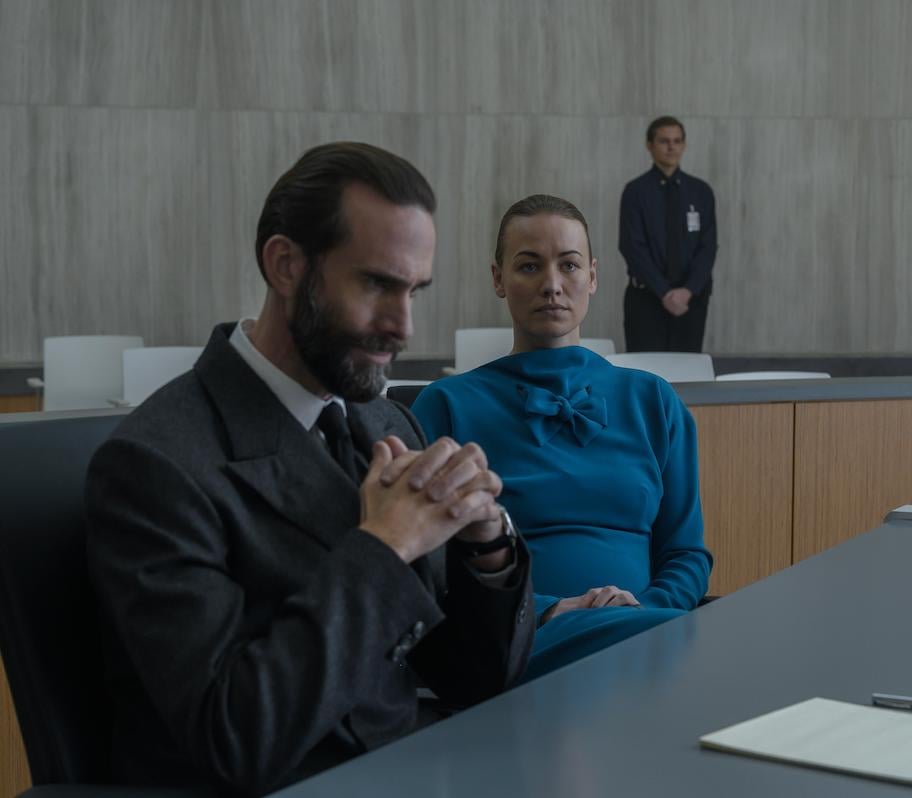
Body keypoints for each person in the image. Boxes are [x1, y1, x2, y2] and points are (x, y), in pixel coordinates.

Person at [85, 142, 534, 796]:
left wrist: (485, 543)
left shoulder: (389, 424)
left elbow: (475, 679)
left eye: (414, 290)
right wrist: (387, 546)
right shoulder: (153, 465)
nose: (402, 327)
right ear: (286, 265)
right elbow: (233, 738)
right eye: (377, 283)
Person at [412, 194, 711, 682]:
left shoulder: (653, 400)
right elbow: (431, 564)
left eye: (568, 265)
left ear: (592, 276)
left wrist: (642, 608)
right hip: (514, 638)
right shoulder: (447, 405)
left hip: (644, 632)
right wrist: (549, 609)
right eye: (529, 266)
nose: (552, 285)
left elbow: (685, 553)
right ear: (498, 279)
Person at [618, 115, 718, 352]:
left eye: (677, 141)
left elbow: (708, 247)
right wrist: (664, 292)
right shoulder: (635, 191)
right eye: (664, 141)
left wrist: (687, 291)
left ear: (683, 145)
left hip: (690, 299)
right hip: (647, 298)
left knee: (687, 374)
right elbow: (632, 247)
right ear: (649, 145)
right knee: (646, 372)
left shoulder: (701, 192)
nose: (671, 147)